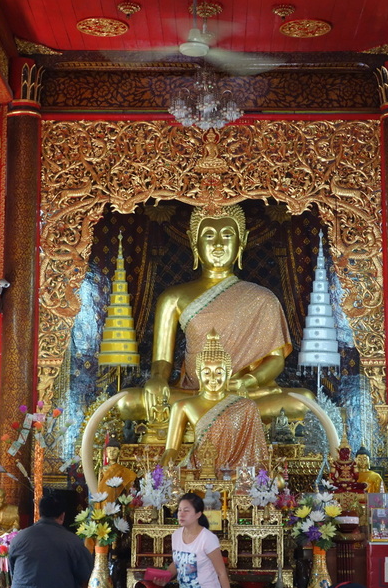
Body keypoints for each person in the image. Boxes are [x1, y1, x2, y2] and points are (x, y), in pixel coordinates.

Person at [81, 205, 339, 491]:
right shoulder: (173, 298)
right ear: (195, 243)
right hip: (194, 393)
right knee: (127, 401)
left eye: (227, 235)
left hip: (242, 393)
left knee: (301, 400)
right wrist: (156, 379)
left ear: (241, 242)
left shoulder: (263, 299)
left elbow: (275, 361)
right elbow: (162, 361)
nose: (218, 244)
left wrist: (248, 381)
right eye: (209, 236)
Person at [162, 330, 268, 472]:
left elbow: (256, 455)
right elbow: (171, 449)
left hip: (235, 472)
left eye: (219, 372)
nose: (213, 378)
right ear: (198, 373)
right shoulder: (182, 406)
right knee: (176, 478)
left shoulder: (247, 406)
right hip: (199, 470)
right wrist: (160, 474)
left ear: (228, 373)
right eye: (207, 372)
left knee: (275, 480)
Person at [153, 492, 244, 588]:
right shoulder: (175, 535)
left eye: (186, 510)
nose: (181, 514)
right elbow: (177, 562)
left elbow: (222, 573)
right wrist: (165, 576)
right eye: (179, 510)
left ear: (198, 514)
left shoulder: (207, 538)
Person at [5, 492, 94, 588]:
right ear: (62, 516)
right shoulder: (72, 541)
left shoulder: (19, 538)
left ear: (40, 512)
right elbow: (85, 573)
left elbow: (13, 572)